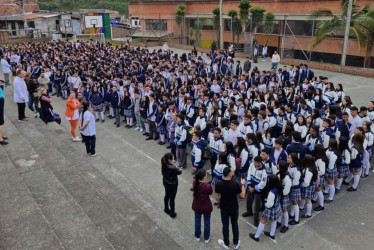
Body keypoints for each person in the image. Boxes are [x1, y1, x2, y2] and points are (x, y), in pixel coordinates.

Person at [215, 166, 246, 249]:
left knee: (225, 225)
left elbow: (217, 197)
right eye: (232, 171)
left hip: (224, 208)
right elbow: (242, 195)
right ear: (229, 174)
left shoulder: (219, 184)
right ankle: (236, 243)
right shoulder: (235, 184)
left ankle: (226, 243)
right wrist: (243, 184)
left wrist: (221, 203)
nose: (233, 172)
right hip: (234, 207)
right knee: (234, 224)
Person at [249, 174, 283, 241]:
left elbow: (269, 204)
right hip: (277, 207)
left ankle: (256, 236)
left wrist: (265, 203)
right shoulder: (279, 188)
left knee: (262, 221)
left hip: (271, 209)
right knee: (274, 220)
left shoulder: (272, 192)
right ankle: (272, 234)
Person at [192, 169, 213, 243]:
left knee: (197, 220)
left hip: (197, 205)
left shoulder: (194, 183)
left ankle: (197, 236)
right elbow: (210, 192)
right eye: (206, 175)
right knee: (207, 222)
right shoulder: (208, 186)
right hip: (206, 206)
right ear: (204, 177)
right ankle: (206, 238)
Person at [161, 152, 182, 218]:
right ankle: (172, 213)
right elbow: (179, 172)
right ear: (169, 160)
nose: (173, 159)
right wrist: (178, 168)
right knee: (172, 198)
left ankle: (166, 208)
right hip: (173, 184)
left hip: (166, 183)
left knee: (167, 195)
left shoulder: (164, 164)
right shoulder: (173, 167)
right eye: (173, 158)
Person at [0, 78, 8, 145]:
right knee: (0, 121)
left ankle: (0, 135)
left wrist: (2, 84)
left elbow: (3, 84)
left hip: (1, 99)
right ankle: (0, 139)